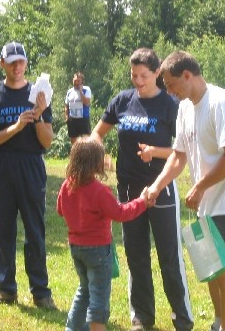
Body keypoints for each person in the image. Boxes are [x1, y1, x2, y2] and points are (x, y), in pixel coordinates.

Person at [146, 51, 225, 331]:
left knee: (223, 269)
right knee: (211, 269)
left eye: (171, 85)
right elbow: (178, 155)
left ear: (187, 75)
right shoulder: (185, 107)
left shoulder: (221, 103)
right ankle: (220, 322)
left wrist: (198, 187)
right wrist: (157, 185)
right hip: (208, 200)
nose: (170, 92)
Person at [91, 48, 194, 331]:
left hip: (161, 189)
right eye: (133, 75)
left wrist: (155, 151)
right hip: (128, 191)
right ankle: (141, 317)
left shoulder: (170, 106)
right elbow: (98, 132)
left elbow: (182, 150)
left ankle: (182, 319)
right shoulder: (122, 101)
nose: (137, 81)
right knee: (136, 255)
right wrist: (98, 150)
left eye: (144, 76)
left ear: (157, 73)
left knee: (169, 257)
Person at [0, 41, 57, 309]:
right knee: (5, 230)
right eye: (11, 61)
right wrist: (14, 127)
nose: (16, 66)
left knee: (35, 230)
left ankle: (41, 292)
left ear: (26, 63)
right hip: (1, 166)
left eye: (21, 61)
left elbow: (47, 142)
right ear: (2, 63)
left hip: (31, 165)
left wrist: (37, 116)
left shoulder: (39, 95)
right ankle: (6, 289)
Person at [57, 136, 152, 331]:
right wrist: (142, 201)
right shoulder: (99, 191)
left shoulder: (67, 185)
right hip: (98, 252)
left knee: (85, 289)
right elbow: (120, 213)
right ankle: (97, 327)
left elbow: (60, 209)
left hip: (76, 248)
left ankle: (72, 328)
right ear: (96, 164)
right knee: (99, 296)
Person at [65, 72, 92, 145]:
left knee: (86, 141)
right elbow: (66, 105)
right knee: (73, 141)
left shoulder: (86, 89)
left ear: (82, 82)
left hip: (83, 118)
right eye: (75, 80)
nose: (76, 82)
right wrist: (67, 117)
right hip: (72, 119)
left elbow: (86, 102)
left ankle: (87, 156)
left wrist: (80, 92)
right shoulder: (69, 91)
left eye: (78, 81)